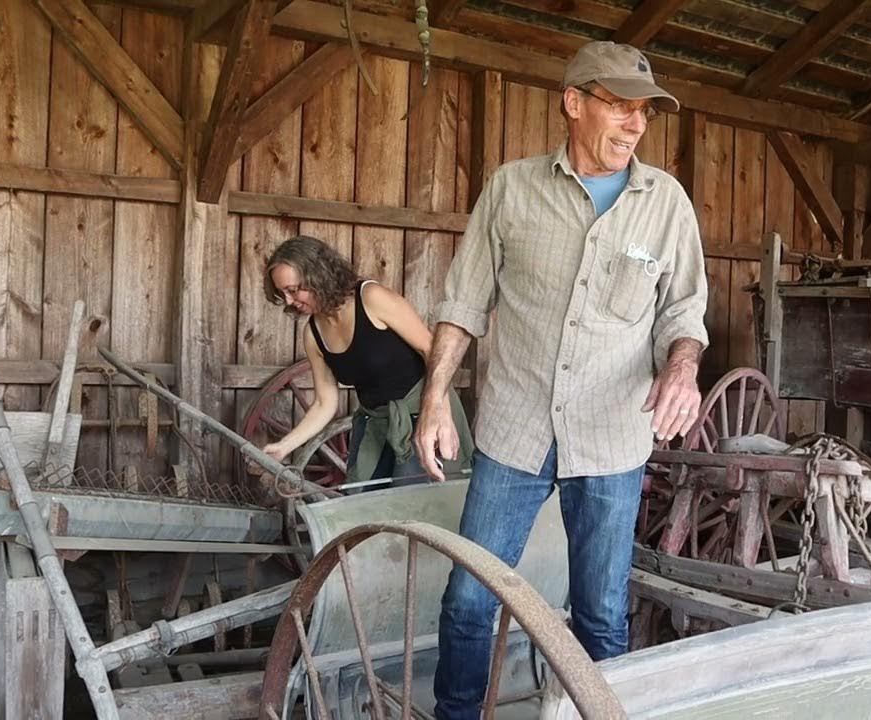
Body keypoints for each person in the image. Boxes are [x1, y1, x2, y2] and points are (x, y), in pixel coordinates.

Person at [413, 41, 709, 718]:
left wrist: (683, 367)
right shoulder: (511, 190)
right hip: (515, 430)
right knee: (467, 602)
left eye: (644, 112)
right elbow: (462, 304)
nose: (635, 125)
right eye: (620, 107)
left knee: (602, 617)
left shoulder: (666, 204)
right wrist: (434, 402)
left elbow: (684, 312)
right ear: (573, 104)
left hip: (610, 439)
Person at [257, 236, 473, 489]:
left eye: (293, 290)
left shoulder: (372, 298)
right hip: (375, 425)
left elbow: (431, 350)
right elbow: (324, 403)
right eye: (282, 293)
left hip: (425, 412)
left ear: (319, 274)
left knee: (419, 507)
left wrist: (440, 414)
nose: (290, 301)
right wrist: (284, 446)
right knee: (362, 502)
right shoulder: (313, 334)